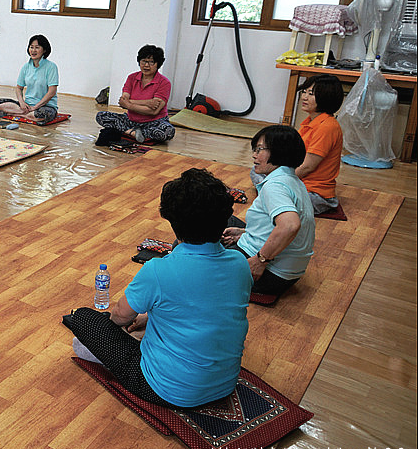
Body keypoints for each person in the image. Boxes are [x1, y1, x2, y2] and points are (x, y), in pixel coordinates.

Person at [69, 168, 252, 408]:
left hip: (168, 391)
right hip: (225, 383)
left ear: (173, 221)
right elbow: (208, 306)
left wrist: (127, 323)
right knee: (155, 320)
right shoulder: (240, 264)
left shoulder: (158, 270)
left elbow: (118, 317)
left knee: (82, 323)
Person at [224, 125, 315, 297]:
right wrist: (245, 233)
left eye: (260, 149)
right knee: (227, 220)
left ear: (279, 151)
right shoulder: (292, 180)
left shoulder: (274, 186)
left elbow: (290, 226)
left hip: (270, 275)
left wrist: (260, 260)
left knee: (188, 253)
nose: (254, 155)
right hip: (288, 273)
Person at [252, 74, 344, 214]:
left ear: (326, 96)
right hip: (299, 183)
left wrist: (279, 179)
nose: (304, 97)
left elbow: (307, 167)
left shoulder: (327, 127)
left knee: (267, 183)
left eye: (311, 94)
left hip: (315, 194)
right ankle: (271, 191)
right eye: (304, 92)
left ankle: (271, 193)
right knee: (257, 170)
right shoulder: (309, 122)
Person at [95, 45, 175, 144]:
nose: (146, 65)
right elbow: (123, 100)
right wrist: (148, 102)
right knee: (101, 115)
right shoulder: (132, 78)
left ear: (158, 64)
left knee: (168, 131)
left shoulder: (164, 83)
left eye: (151, 62)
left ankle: (129, 132)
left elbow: (153, 111)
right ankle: (133, 133)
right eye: (143, 61)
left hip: (154, 122)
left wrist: (129, 104)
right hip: (131, 121)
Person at [0, 34, 59, 124]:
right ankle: (26, 114)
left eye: (37, 47)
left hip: (44, 106)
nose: (33, 50)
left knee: (43, 114)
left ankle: (18, 114)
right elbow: (19, 88)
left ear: (44, 50)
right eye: (31, 47)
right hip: (27, 106)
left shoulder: (51, 67)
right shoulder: (26, 67)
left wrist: (35, 107)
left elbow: (52, 92)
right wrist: (22, 103)